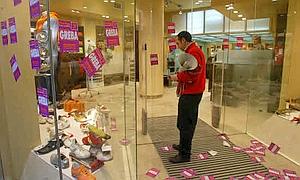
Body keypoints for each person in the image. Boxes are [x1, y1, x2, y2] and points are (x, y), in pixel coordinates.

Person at [168, 31, 206, 163]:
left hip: (191, 93)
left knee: (186, 124)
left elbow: (192, 75)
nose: (178, 46)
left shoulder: (194, 52)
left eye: (178, 42)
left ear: (184, 40)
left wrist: (176, 77)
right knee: (183, 122)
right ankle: (182, 146)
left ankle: (185, 155)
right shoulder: (193, 51)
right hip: (190, 92)